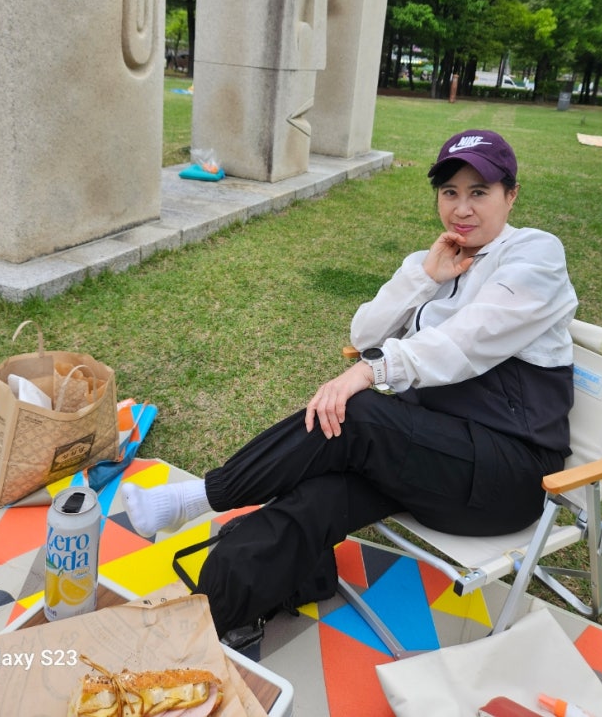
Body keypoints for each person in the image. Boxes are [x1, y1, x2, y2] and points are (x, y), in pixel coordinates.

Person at [121, 129, 578, 637]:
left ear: (510, 195)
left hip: (509, 476)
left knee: (358, 413)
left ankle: (199, 496)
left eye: (479, 192)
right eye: (450, 192)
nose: (462, 208)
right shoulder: (435, 259)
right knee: (315, 496)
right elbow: (364, 333)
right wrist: (425, 277)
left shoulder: (535, 255)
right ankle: (217, 612)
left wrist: (369, 371)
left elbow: (470, 339)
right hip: (432, 459)